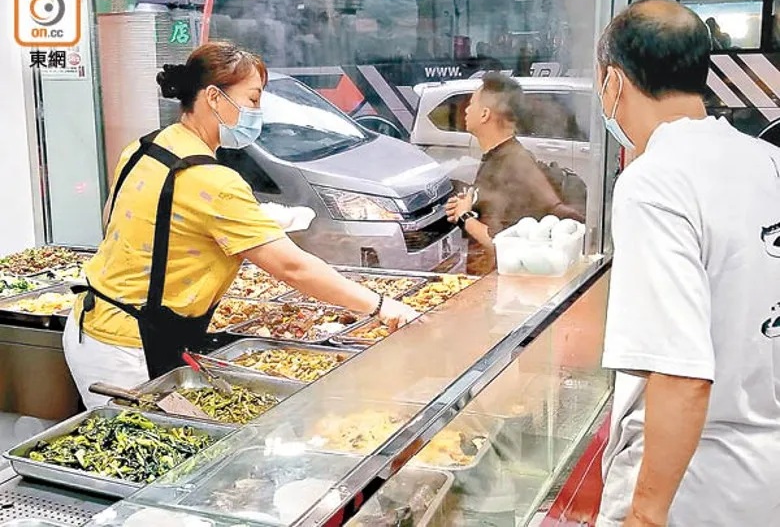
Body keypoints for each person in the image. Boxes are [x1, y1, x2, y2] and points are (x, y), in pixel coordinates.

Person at [63, 42, 418, 408]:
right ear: (214, 98)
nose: (257, 112)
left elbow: (116, 218)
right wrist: (379, 306)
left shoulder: (144, 146)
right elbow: (292, 267)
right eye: (251, 100)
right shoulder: (213, 181)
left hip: (92, 325)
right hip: (127, 348)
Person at [596, 0, 780, 526]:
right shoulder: (765, 160)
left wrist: (645, 515)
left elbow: (681, 372)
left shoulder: (656, 181)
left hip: (693, 488)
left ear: (614, 81)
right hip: (762, 482)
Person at [444, 72, 585, 275]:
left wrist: (465, 216)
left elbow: (500, 240)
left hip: (501, 287)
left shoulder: (511, 164)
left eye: (471, 103)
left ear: (485, 114)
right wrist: (467, 206)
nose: (465, 110)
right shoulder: (501, 156)